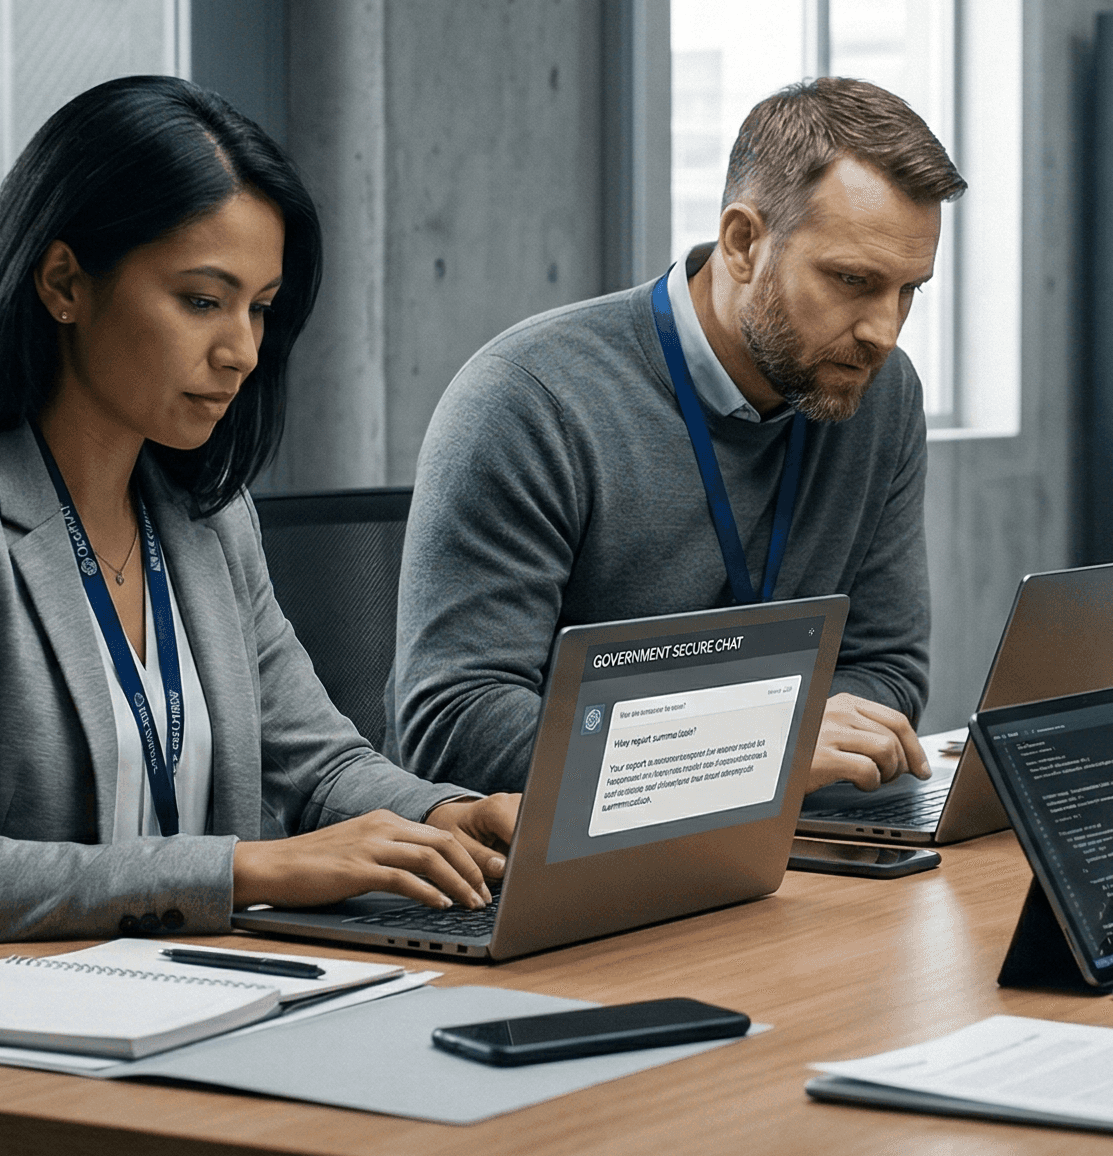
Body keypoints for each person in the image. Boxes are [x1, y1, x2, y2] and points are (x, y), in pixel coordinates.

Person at [0, 76, 529, 1156]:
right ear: (62, 281)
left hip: (183, 1036)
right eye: (201, 300)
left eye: (260, 308)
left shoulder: (200, 517)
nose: (241, 350)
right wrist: (256, 869)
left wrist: (465, 817)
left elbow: (320, 763)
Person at [389, 77, 962, 795]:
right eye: (852, 280)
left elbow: (886, 668)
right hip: (551, 868)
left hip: (779, 845)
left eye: (909, 290)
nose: (884, 331)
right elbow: (455, 727)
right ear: (744, 242)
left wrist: (748, 753)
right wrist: (751, 746)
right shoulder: (531, 399)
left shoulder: (879, 392)